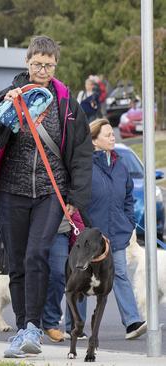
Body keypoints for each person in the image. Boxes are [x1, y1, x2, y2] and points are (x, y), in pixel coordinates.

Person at [0, 35, 92, 358]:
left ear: (56, 65)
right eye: (37, 63)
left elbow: (81, 152)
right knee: (17, 261)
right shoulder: (12, 93)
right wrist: (3, 103)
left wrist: (75, 197)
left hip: (51, 192)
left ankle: (33, 327)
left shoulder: (66, 102)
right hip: (12, 190)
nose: (42, 69)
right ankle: (24, 326)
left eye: (49, 65)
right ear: (27, 62)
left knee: (38, 253)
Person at [64, 119, 147, 340]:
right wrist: (83, 229)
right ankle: (75, 326)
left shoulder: (120, 166)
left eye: (113, 134)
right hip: (89, 236)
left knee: (119, 274)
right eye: (108, 135)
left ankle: (132, 322)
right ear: (94, 141)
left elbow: (128, 196)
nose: (113, 137)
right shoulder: (84, 166)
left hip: (117, 233)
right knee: (80, 276)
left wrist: (128, 221)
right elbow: (77, 198)